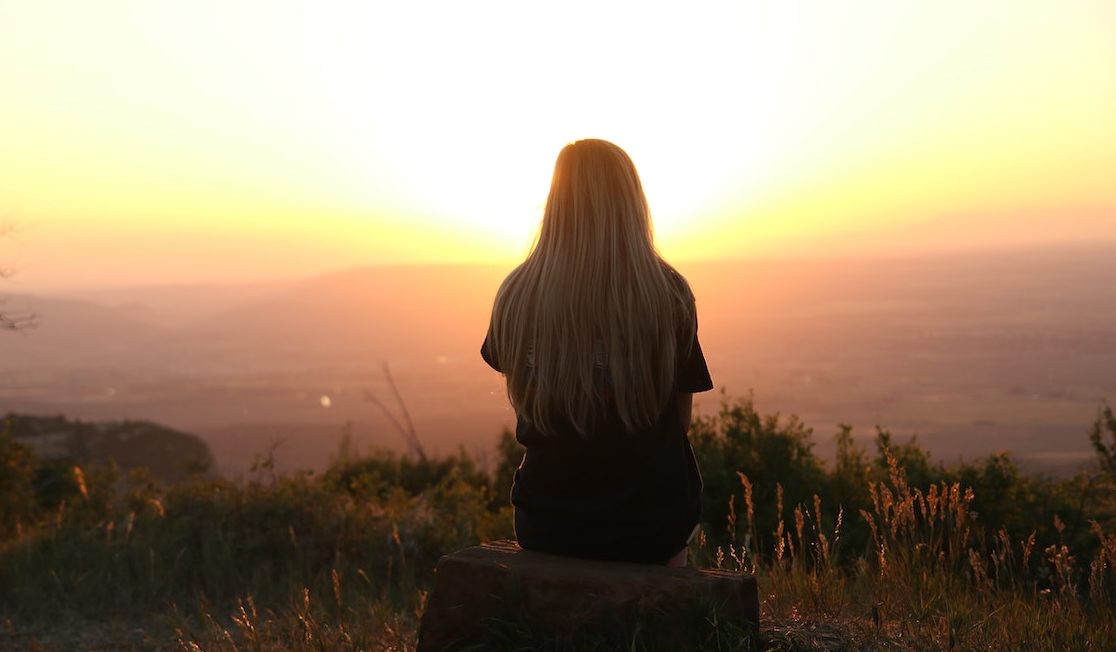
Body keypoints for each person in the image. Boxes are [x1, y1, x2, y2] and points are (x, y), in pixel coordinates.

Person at [481, 139, 713, 566]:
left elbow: (526, 400)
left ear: (555, 203)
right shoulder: (670, 296)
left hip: (548, 523)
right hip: (652, 525)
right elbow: (679, 424)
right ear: (631, 204)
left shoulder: (515, 295)